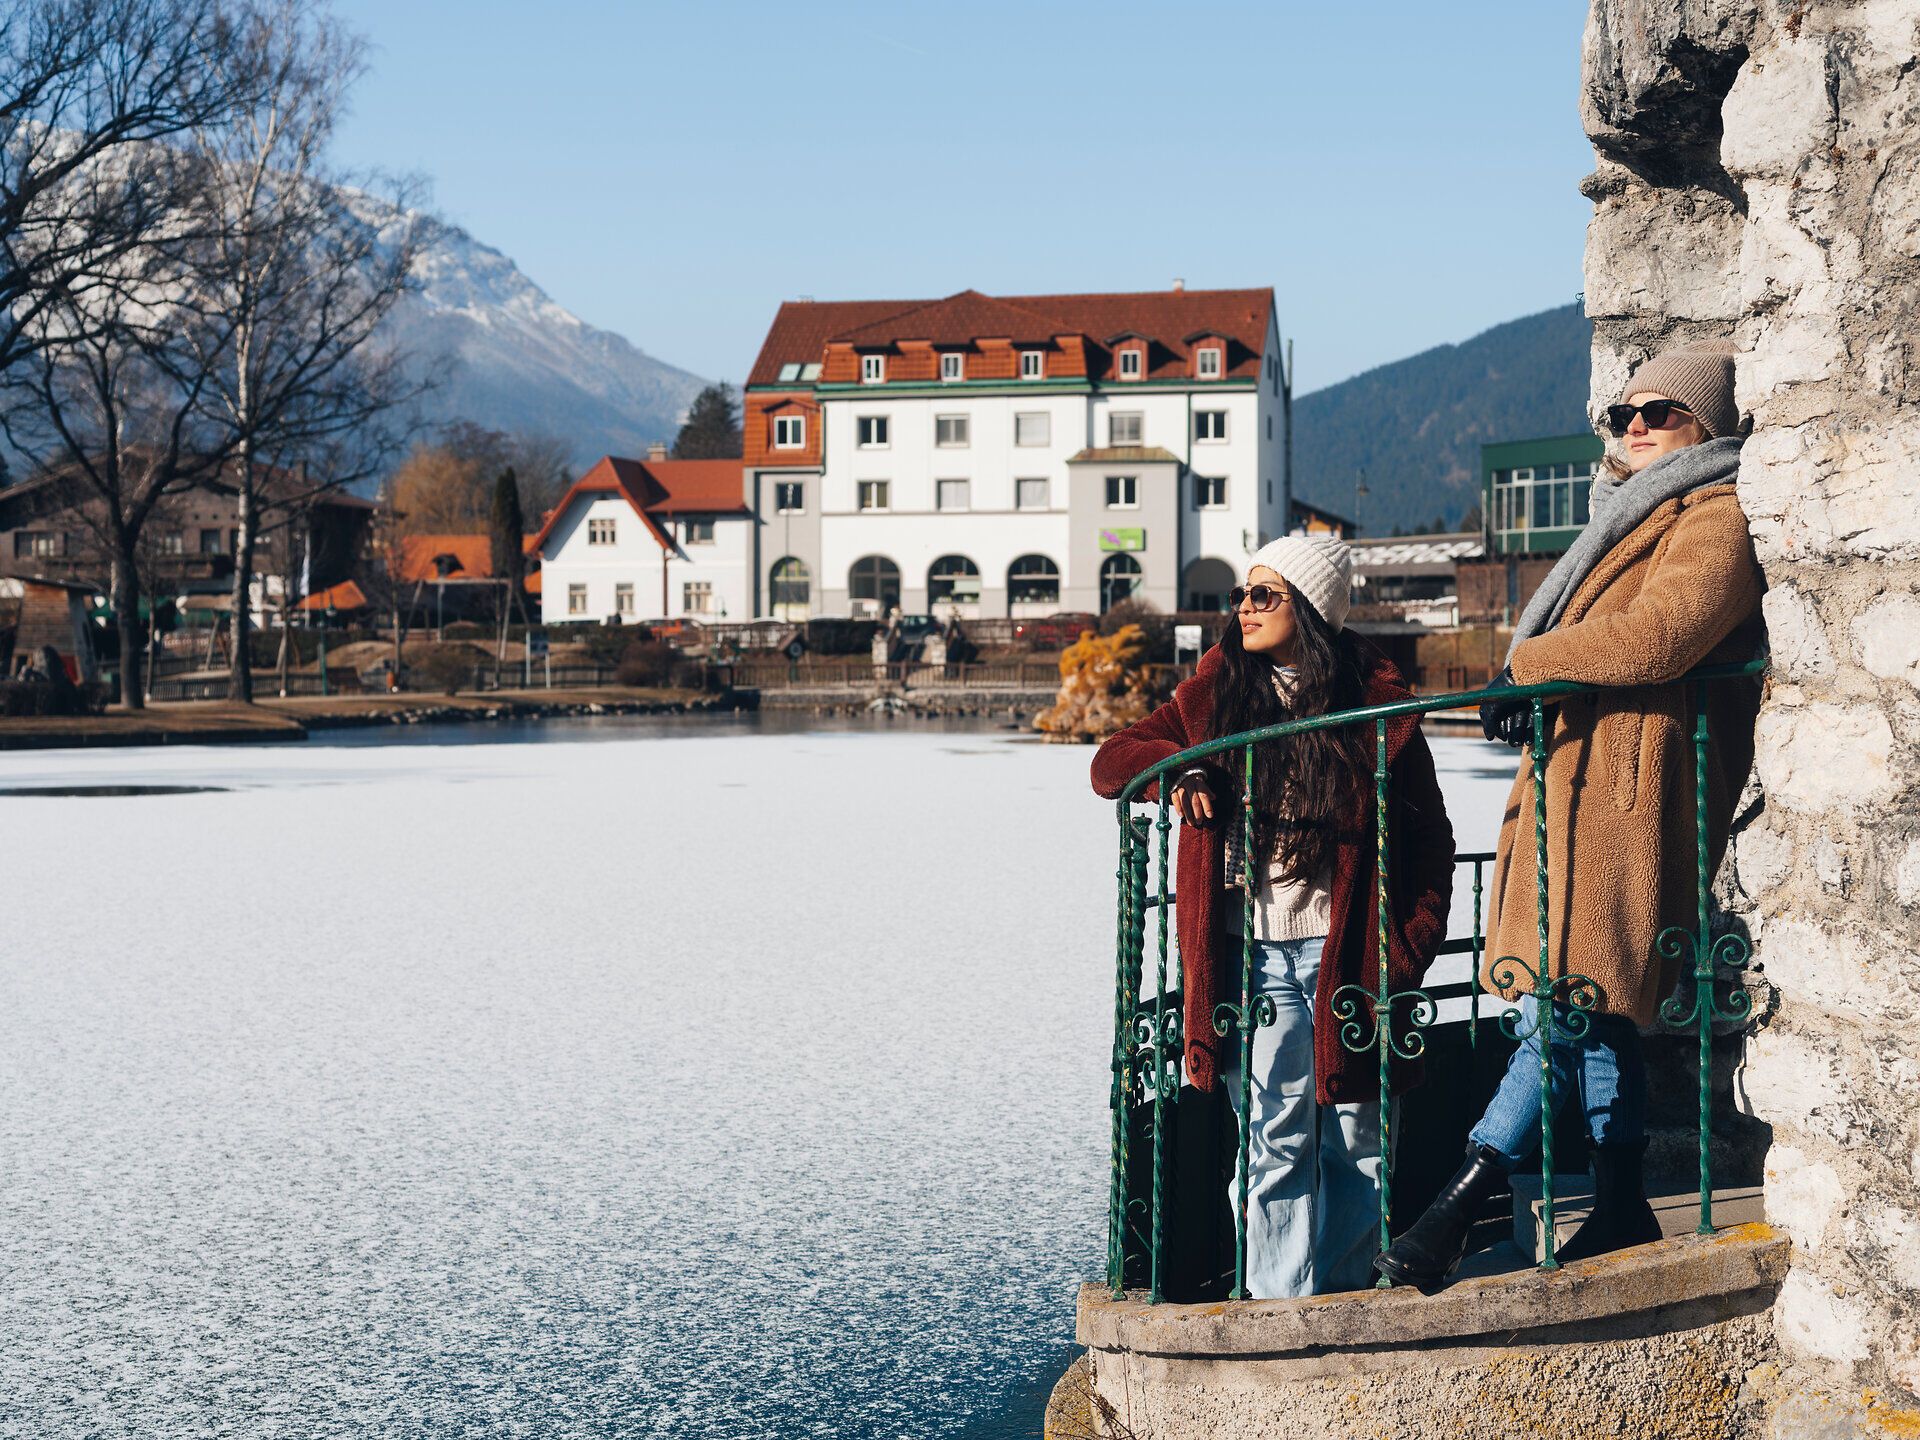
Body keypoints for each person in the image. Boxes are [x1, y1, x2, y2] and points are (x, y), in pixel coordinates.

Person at [1375, 341, 1766, 1292]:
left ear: (1706, 427)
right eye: (1623, 414)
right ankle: (1624, 1201)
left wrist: (1529, 670)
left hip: (1630, 800)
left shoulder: (1716, 514)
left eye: (1659, 412)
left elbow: (1665, 633)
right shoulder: (1631, 516)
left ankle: (1460, 1199)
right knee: (1598, 1016)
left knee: (1563, 1002)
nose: (1633, 426)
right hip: (1582, 792)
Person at [1091, 535, 1454, 1298]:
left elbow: (1429, 842)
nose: (1245, 608)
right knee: (1273, 1143)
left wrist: (1407, 949)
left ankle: (1346, 1301)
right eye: (1242, 594)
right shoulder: (1214, 696)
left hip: (1347, 955)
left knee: (1359, 1144)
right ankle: (1279, 1312)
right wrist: (1182, 769)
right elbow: (1112, 760)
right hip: (1248, 955)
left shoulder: (1377, 707)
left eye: (1265, 595)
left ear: (1313, 611)